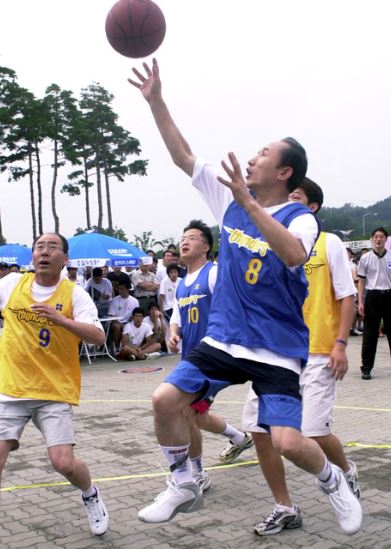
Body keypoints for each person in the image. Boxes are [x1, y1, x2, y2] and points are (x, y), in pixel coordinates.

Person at [128, 59, 362, 534]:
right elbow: (183, 155)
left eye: (263, 153)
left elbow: (294, 256)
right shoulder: (231, 199)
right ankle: (183, 482)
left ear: (285, 172)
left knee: (290, 443)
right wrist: (156, 102)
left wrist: (251, 204)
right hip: (225, 339)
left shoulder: (299, 217)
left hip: (277, 349)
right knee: (163, 399)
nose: (251, 158)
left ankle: (332, 480)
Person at [241, 178, 360, 536]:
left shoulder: (329, 243)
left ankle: (346, 473)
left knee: (312, 432)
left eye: (296, 197)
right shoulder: (270, 245)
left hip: (319, 351)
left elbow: (346, 296)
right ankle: (285, 506)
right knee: (258, 430)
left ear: (312, 208)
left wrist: (340, 344)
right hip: (274, 354)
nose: (287, 203)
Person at [0, 233, 109, 548]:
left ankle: (90, 494)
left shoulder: (74, 295)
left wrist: (62, 321)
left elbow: (98, 336)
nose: (44, 252)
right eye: (39, 247)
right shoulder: (11, 285)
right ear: (32, 256)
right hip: (9, 390)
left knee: (63, 462)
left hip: (53, 391)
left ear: (65, 258)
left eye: (52, 247)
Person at [169, 219, 253, 493]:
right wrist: (173, 333)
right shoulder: (181, 284)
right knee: (197, 415)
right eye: (183, 237)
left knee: (186, 412)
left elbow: (236, 306)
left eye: (192, 237)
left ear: (205, 246)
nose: (185, 241)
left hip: (214, 360)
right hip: (191, 361)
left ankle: (198, 474)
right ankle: (239, 438)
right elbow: (177, 317)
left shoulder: (214, 274)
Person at [357, 227, 391, 379]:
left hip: (389, 295)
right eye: (376, 236)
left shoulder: (390, 256)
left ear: (386, 239)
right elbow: (361, 281)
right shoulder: (365, 258)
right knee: (370, 334)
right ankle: (366, 368)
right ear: (372, 239)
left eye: (381, 237)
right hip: (373, 296)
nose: (378, 239)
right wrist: (360, 301)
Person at [108, 279, 139, 351]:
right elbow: (112, 316)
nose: (120, 291)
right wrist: (122, 325)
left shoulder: (134, 301)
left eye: (122, 289)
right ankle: (117, 347)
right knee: (117, 326)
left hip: (129, 322)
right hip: (117, 323)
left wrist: (129, 324)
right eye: (119, 289)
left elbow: (135, 315)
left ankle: (135, 346)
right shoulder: (114, 300)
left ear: (128, 289)